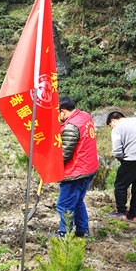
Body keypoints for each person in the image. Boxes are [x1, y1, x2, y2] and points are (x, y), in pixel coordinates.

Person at [54, 96, 99, 238]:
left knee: (64, 205)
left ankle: (65, 235)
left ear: (63, 111)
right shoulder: (85, 116)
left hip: (76, 171)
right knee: (78, 200)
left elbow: (64, 153)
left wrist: (51, 167)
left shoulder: (71, 126)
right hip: (89, 167)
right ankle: (82, 231)